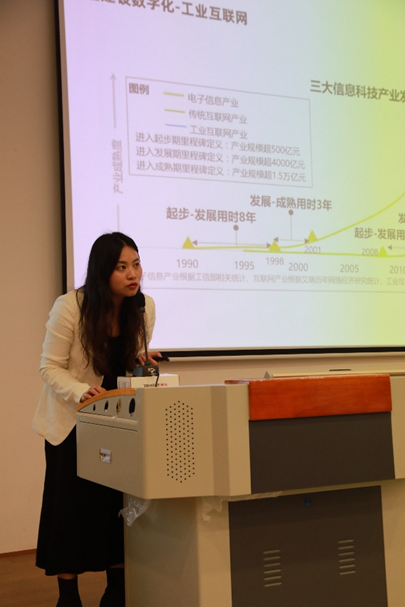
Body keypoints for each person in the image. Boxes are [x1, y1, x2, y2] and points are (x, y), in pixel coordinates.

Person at [33, 232, 160, 607]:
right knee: (69, 510)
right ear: (102, 271)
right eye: (122, 267)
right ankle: (68, 597)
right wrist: (80, 391)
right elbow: (50, 368)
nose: (133, 274)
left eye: (136, 264)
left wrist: (140, 360)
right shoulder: (70, 307)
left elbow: (128, 359)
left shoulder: (143, 308)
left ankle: (116, 592)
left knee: (114, 508)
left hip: (118, 422)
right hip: (71, 423)